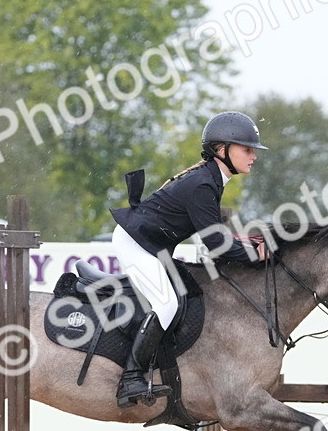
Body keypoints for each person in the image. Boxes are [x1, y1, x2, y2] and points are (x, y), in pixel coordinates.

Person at [109, 111, 270, 407]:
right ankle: (130, 379)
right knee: (167, 304)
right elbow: (215, 244)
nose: (253, 156)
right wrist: (254, 254)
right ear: (222, 149)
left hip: (150, 244)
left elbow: (216, 235)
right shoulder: (203, 184)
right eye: (247, 149)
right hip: (134, 243)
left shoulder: (211, 179)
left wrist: (246, 244)